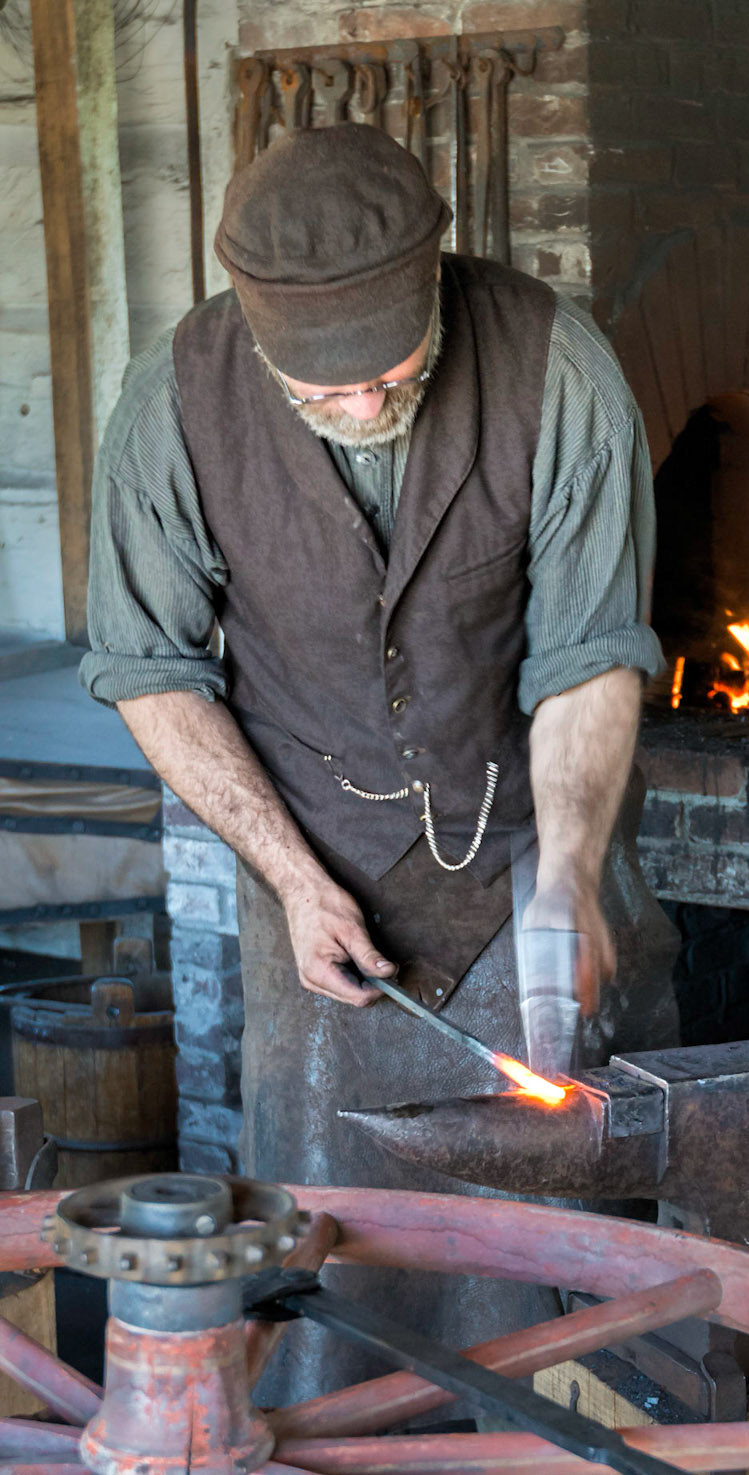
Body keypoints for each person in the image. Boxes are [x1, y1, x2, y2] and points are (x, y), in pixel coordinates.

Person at [82, 123, 679, 1400]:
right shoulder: (174, 400)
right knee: (335, 1244)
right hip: (312, 867)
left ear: (435, 284)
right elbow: (151, 668)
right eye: (322, 389)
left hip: (527, 847)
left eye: (387, 371)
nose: (361, 403)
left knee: (544, 1245)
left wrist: (568, 878)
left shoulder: (557, 368)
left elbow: (588, 651)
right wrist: (293, 879)